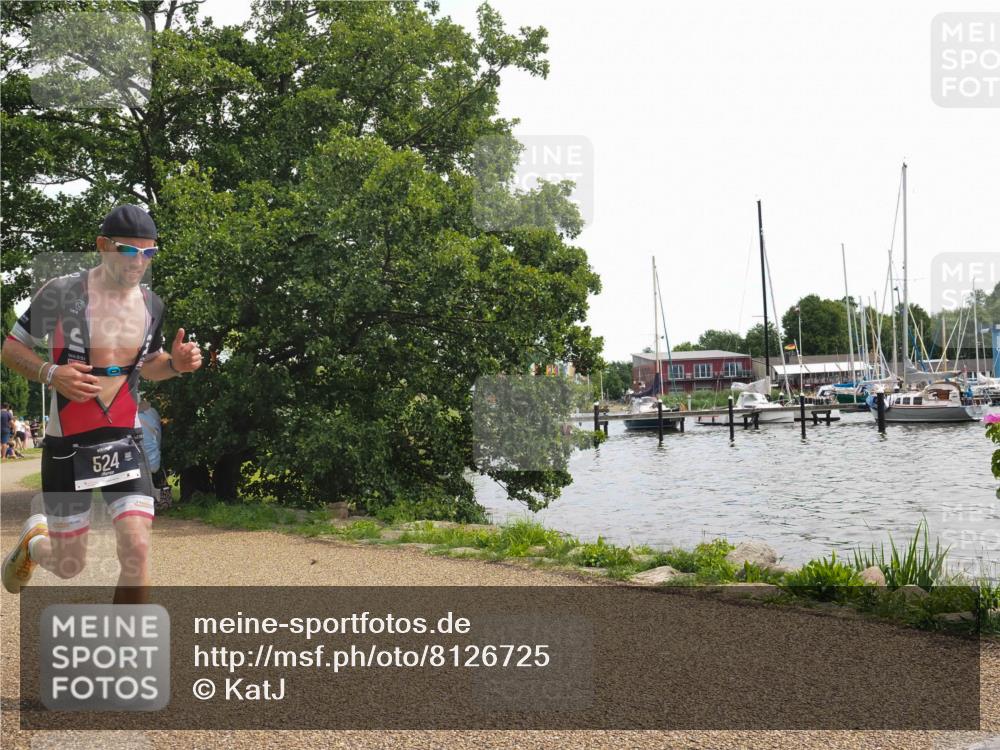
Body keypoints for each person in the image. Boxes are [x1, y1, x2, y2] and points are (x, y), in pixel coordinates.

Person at [1, 204, 202, 603]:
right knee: (69, 564)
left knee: (137, 547)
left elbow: (149, 365)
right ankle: (34, 545)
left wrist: (175, 365)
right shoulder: (61, 292)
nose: (139, 262)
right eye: (129, 251)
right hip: (67, 443)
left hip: (124, 441)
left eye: (149, 253)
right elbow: (11, 348)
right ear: (102, 246)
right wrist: (51, 374)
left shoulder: (150, 305)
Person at [137, 397, 171, 512]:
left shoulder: (125, 415)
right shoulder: (153, 413)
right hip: (154, 459)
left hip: (136, 460)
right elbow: (158, 438)